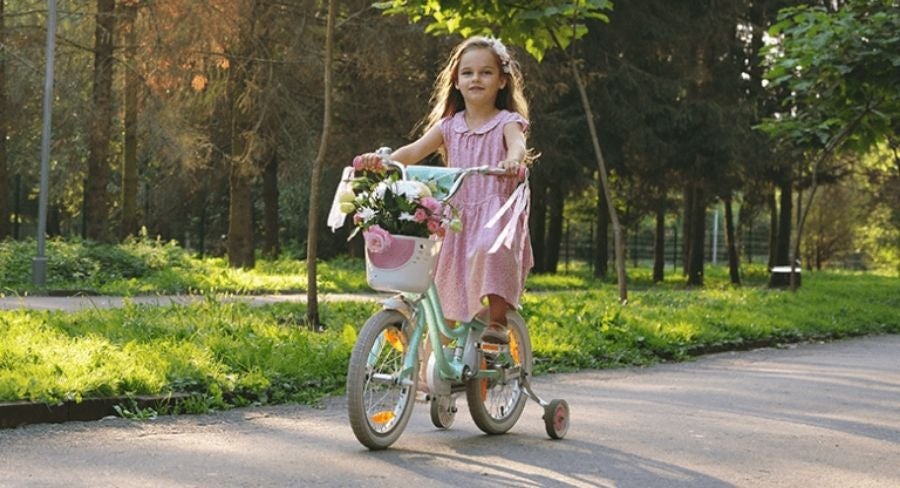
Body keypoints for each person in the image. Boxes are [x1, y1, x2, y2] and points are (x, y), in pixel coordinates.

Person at [357, 36, 534, 344]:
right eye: (467, 73)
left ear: (502, 81)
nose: (476, 79)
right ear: (456, 81)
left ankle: (497, 321)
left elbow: (517, 144)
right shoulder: (449, 126)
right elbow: (413, 151)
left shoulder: (508, 121)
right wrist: (383, 161)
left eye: (486, 72)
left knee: (491, 247)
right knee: (441, 282)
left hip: (493, 213)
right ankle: (431, 376)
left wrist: (511, 160)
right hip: (454, 215)